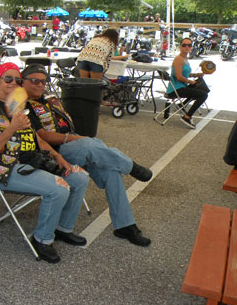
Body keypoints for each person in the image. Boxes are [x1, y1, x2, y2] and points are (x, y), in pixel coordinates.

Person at [21, 64, 153, 247]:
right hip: (51, 155)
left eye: (43, 81)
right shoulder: (23, 106)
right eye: (35, 81)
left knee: (111, 172)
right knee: (88, 144)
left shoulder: (48, 101)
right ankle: (130, 166)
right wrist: (75, 138)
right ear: (22, 82)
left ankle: (125, 225)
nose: (40, 85)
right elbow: (43, 136)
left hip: (71, 149)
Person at [0, 63, 89, 263]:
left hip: (32, 163)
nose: (13, 83)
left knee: (79, 176)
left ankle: (63, 229)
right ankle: (42, 240)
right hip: (1, 169)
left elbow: (38, 140)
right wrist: (11, 128)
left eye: (17, 80)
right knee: (59, 188)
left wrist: (57, 157)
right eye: (7, 78)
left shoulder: (20, 108)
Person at [167, 38, 208, 129]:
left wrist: (196, 75)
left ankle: (182, 105)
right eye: (184, 45)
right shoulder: (178, 59)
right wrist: (191, 81)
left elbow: (185, 74)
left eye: (189, 45)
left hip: (182, 87)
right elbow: (179, 77)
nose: (187, 47)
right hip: (176, 89)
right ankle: (187, 116)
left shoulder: (185, 59)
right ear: (180, 47)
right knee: (203, 95)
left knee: (203, 89)